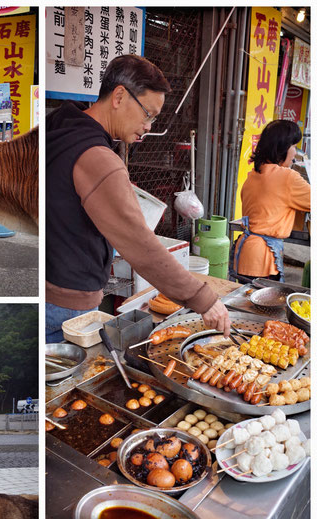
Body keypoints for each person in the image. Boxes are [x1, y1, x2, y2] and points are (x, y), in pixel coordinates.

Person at [46, 54, 231, 342]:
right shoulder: (97, 157)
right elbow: (140, 244)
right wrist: (202, 298)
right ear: (119, 96)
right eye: (148, 114)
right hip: (66, 305)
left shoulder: (59, 124)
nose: (149, 126)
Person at [231, 120, 310, 282]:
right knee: (261, 305)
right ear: (282, 148)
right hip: (263, 258)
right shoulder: (287, 178)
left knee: (245, 301)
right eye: (294, 146)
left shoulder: (254, 174)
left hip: (246, 253)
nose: (295, 152)